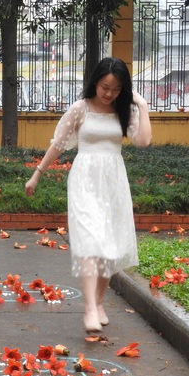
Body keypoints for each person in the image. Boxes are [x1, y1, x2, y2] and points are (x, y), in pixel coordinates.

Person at [25, 57, 152, 333]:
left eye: (117, 89)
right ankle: (90, 309)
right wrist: (37, 174)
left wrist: (141, 105)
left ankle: (98, 301)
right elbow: (58, 144)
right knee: (89, 241)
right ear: (95, 81)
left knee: (109, 244)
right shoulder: (80, 109)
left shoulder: (122, 111)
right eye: (105, 87)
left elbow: (143, 141)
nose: (109, 94)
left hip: (113, 181)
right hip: (84, 180)